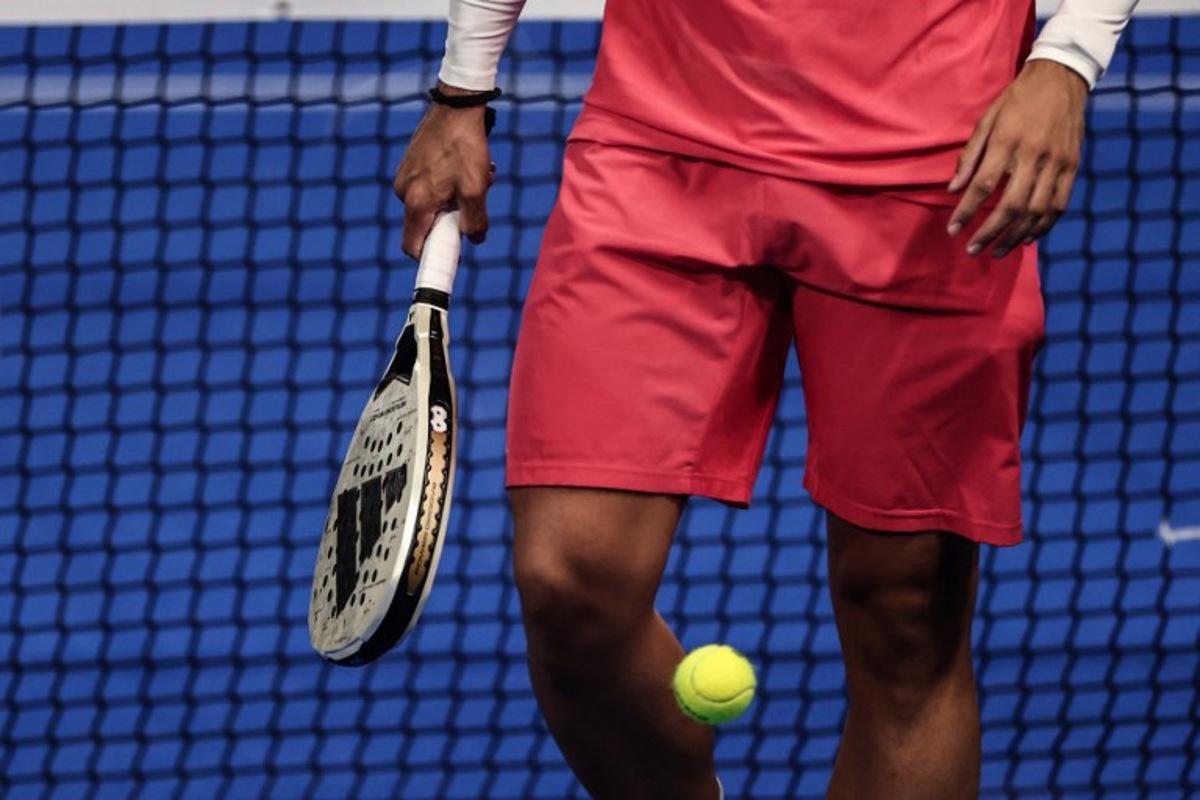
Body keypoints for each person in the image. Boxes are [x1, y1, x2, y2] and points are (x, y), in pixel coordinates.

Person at [394, 1, 1140, 797]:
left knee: (905, 619)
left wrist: (1068, 60)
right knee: (570, 579)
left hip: (937, 167)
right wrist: (461, 89)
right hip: (661, 139)